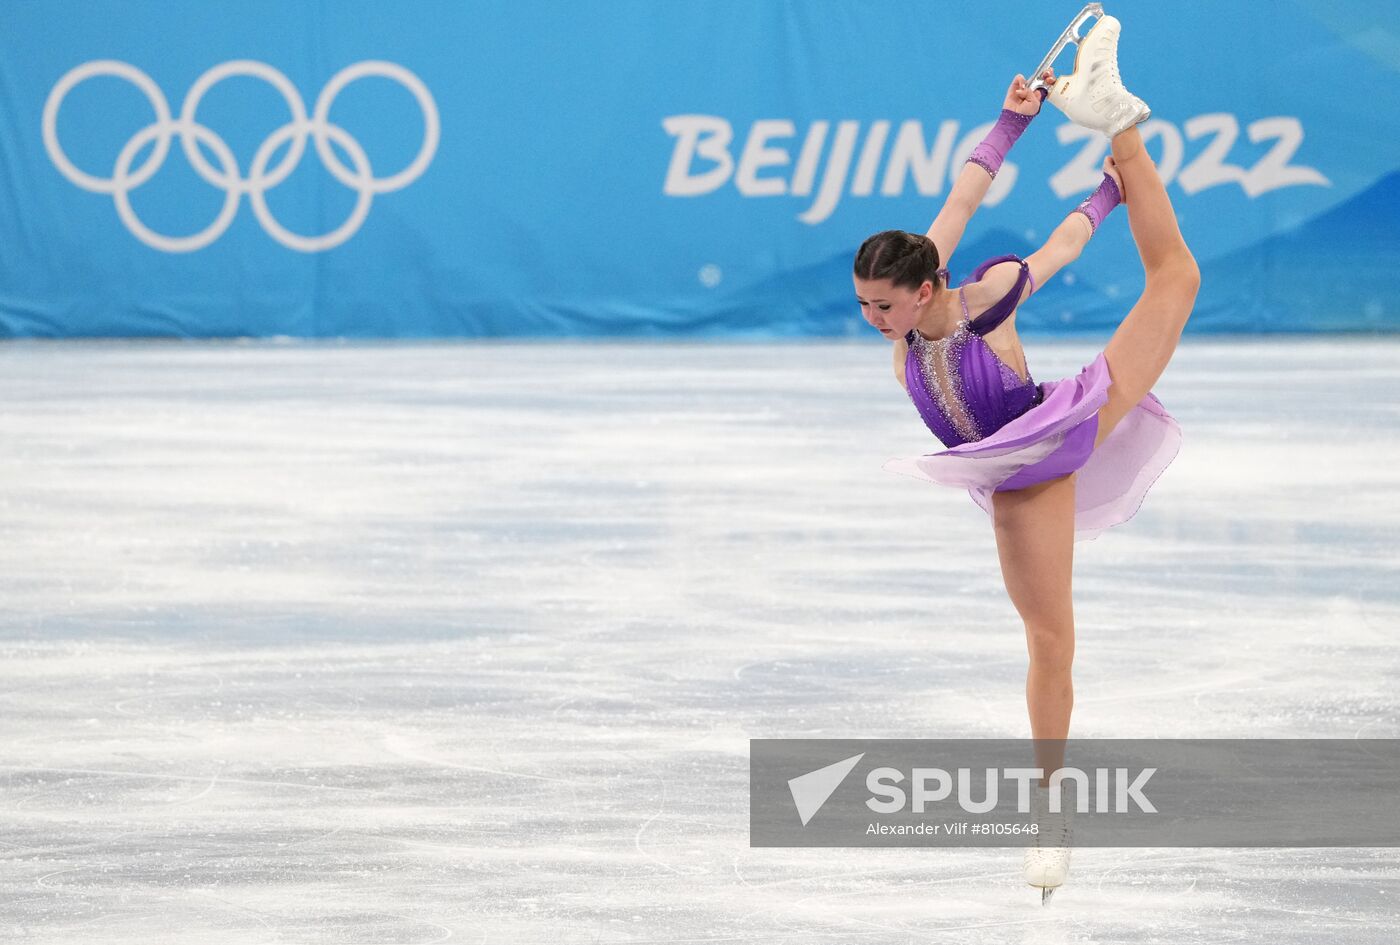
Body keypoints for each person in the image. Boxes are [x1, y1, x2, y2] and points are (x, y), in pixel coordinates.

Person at [851, 13, 1200, 902]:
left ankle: (1050, 811)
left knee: (1176, 281)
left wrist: (1105, 200)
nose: (873, 320)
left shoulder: (985, 297)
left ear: (925, 288)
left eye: (883, 306)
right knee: (1048, 640)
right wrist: (1012, 121)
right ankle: (1051, 799)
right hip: (1007, 479)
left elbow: (1061, 246)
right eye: (864, 305)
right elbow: (962, 197)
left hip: (1057, 431)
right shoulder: (911, 315)